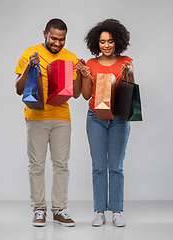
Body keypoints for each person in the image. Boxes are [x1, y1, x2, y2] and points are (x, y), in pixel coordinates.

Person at [15, 18, 82, 227]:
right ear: (44, 33)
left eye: (62, 39)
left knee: (61, 164)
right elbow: (18, 89)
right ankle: (39, 209)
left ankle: (60, 209)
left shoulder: (71, 57)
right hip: (36, 117)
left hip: (62, 117)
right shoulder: (29, 53)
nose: (57, 43)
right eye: (53, 38)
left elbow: (77, 93)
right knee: (37, 165)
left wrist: (79, 73)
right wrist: (29, 67)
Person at [80, 19, 135, 227]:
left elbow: (129, 92)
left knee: (116, 166)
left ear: (117, 41)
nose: (106, 45)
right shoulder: (90, 64)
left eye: (110, 41)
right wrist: (85, 76)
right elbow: (86, 95)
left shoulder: (126, 61)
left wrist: (130, 74)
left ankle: (117, 211)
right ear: (96, 43)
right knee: (98, 167)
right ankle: (99, 211)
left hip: (119, 119)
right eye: (102, 41)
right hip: (95, 118)